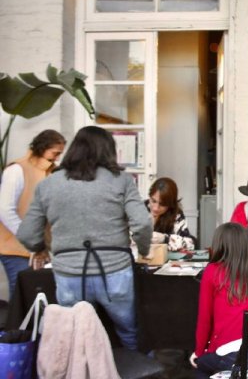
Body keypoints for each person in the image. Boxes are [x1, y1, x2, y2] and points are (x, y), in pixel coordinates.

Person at [16, 126, 152, 350]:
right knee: (128, 333)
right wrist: (144, 250)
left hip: (69, 274)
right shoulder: (121, 181)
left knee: (74, 337)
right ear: (109, 150)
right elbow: (143, 223)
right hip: (115, 272)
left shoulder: (48, 184)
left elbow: (27, 233)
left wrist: (40, 248)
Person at [189, 222, 248, 379]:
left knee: (199, 366)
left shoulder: (212, 271)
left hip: (232, 354)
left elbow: (205, 320)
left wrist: (199, 352)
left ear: (219, 244)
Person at [0, 129, 66, 299]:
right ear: (42, 148)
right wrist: (31, 239)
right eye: (55, 153)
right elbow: (5, 210)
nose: (57, 158)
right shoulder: (16, 170)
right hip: (16, 247)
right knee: (22, 297)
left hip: (40, 247)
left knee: (38, 296)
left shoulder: (53, 171)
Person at [146, 177, 196, 251]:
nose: (155, 208)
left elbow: (191, 243)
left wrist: (165, 239)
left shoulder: (176, 215)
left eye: (162, 204)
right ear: (149, 196)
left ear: (170, 204)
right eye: (153, 201)